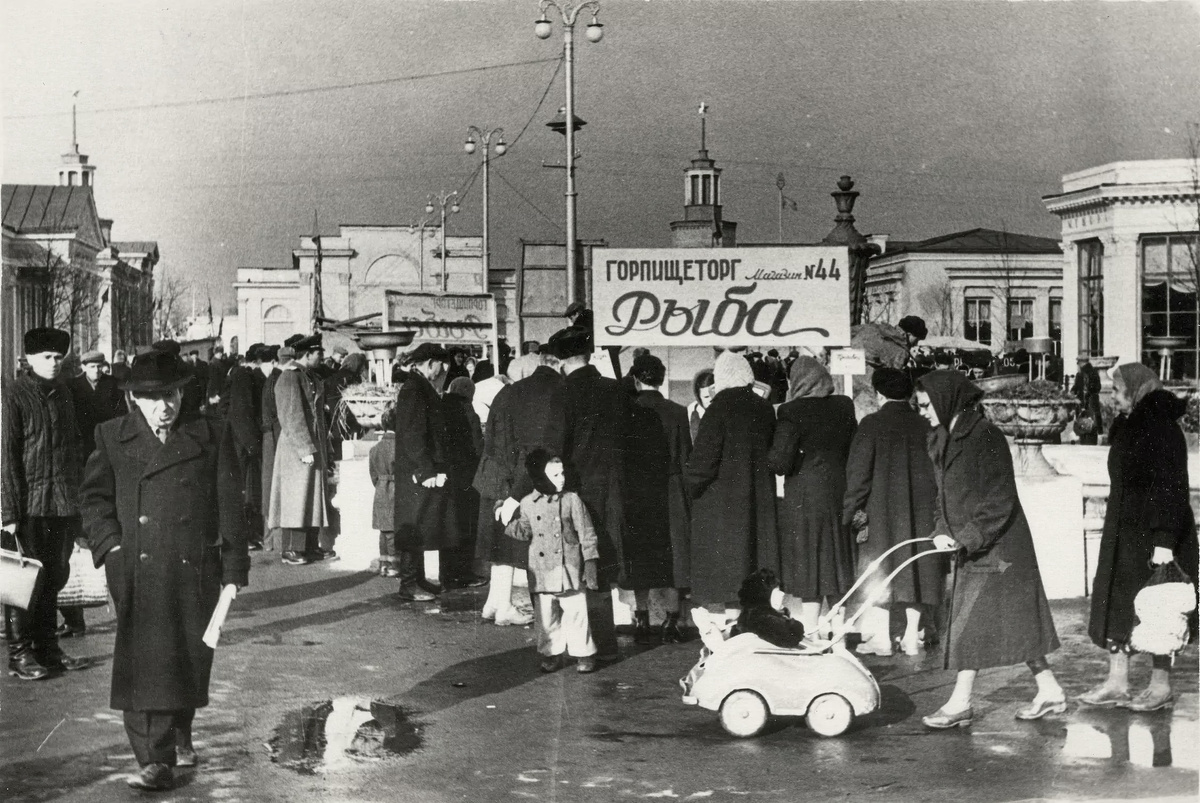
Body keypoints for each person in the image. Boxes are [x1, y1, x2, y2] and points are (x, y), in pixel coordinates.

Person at [79, 349, 247, 791]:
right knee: (146, 662)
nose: (164, 405)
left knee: (189, 657)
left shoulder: (210, 433)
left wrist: (233, 569)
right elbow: (94, 500)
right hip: (138, 567)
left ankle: (179, 730)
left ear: (181, 392)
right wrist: (111, 549)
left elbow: (230, 505)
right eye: (152, 398)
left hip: (195, 568)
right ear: (134, 398)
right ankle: (155, 759)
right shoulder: (112, 436)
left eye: (170, 394)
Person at [915, 370, 1064, 728]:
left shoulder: (986, 437)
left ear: (944, 400)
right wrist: (940, 530)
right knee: (1016, 623)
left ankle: (960, 702)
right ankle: (1050, 690)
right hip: (977, 546)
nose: (921, 412)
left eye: (924, 405)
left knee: (969, 622)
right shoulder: (940, 438)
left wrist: (966, 537)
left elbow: (1001, 499)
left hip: (1001, 548)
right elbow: (942, 498)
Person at [1080, 363, 1199, 712]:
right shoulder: (1130, 425)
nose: (1112, 398)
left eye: (1116, 391)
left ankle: (1160, 686)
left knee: (1158, 606)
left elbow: (1172, 488)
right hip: (1125, 530)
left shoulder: (1162, 428)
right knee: (1120, 605)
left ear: (1135, 390)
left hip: (1154, 535)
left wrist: (1164, 541)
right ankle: (1117, 683)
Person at [2, 327, 91, 681]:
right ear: (29, 360)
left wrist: (79, 504)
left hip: (61, 504)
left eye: (58, 357)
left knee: (54, 577)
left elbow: (74, 449)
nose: (54, 363)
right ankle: (20, 654)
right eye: (46, 358)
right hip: (28, 508)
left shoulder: (64, 393)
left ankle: (48, 649)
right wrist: (9, 513)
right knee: (23, 581)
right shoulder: (13, 396)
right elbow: (5, 456)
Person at [842, 366, 943, 656]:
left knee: (881, 570)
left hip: (882, 511)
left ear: (879, 394)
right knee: (918, 570)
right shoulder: (926, 425)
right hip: (922, 511)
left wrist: (850, 511)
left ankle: (883, 639)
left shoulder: (871, 425)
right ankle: (912, 635)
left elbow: (858, 475)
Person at [543, 325, 630, 660]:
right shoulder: (615, 390)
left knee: (578, 566)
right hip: (616, 489)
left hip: (579, 492)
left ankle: (584, 646)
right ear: (588, 354)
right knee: (604, 563)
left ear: (562, 359)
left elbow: (553, 447)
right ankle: (606, 644)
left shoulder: (562, 393)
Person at [767, 356, 858, 634]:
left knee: (811, 567)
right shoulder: (844, 406)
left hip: (805, 500)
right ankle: (839, 635)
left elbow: (780, 462)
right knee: (838, 566)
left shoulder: (791, 412)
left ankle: (811, 631)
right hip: (840, 496)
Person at [685, 351, 778, 620]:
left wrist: (689, 486)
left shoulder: (717, 408)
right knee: (752, 565)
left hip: (722, 505)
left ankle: (731, 631)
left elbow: (702, 462)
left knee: (727, 574)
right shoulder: (763, 408)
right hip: (757, 501)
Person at [510, 449, 600, 673]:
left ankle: (584, 654)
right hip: (541, 571)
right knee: (546, 617)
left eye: (562, 474)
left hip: (568, 568)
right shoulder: (528, 503)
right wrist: (506, 518)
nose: (562, 479)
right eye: (555, 475)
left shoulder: (571, 500)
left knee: (577, 613)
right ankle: (551, 653)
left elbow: (586, 532)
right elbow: (524, 531)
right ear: (540, 477)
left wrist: (590, 563)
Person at [623, 353, 691, 644]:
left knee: (639, 554)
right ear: (662, 380)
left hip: (637, 491)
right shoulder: (677, 411)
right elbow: (686, 455)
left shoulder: (627, 409)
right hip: (671, 490)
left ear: (636, 379)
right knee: (672, 555)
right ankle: (672, 621)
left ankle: (641, 618)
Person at [472, 354, 544, 626]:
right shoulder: (520, 398)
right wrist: (514, 490)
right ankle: (504, 608)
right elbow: (514, 446)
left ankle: (493, 603)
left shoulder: (503, 395)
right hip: (506, 479)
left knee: (497, 545)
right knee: (508, 545)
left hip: (490, 476)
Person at [60, 349, 127, 637]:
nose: (97, 371)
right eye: (91, 366)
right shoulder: (74, 387)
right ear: (83, 367)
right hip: (82, 449)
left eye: (100, 366)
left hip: (106, 448)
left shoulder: (113, 385)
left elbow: (122, 415)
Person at [393, 342, 457, 601]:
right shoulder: (415, 390)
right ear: (431, 364)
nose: (443, 373)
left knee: (421, 526)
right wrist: (425, 470)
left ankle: (417, 579)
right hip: (417, 472)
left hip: (420, 469)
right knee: (415, 526)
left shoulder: (419, 387)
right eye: (441, 367)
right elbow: (413, 435)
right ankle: (408, 584)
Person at [268, 334, 331, 566]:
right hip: (297, 447)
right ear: (307, 354)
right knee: (297, 497)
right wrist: (304, 448)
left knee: (311, 497)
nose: (322, 357)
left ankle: (310, 546)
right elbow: (291, 414)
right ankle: (292, 549)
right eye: (319, 353)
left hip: (310, 444)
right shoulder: (289, 377)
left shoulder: (308, 376)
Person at [441, 376, 486, 588]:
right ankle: (463, 573)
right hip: (465, 475)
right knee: (466, 525)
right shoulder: (468, 411)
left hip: (445, 474)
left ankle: (447, 575)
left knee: (448, 526)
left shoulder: (441, 406)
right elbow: (477, 445)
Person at [224, 344, 266, 552]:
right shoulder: (244, 376)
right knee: (244, 492)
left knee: (249, 491)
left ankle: (249, 534)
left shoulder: (243, 374)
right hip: (242, 444)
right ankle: (242, 537)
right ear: (258, 361)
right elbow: (241, 412)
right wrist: (252, 444)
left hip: (242, 442)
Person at [731, 569, 807, 649]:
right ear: (764, 596)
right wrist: (795, 625)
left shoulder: (749, 615)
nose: (783, 594)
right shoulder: (762, 619)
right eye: (777, 591)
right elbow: (789, 637)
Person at [369, 405, 399, 577]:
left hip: (380, 489)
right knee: (394, 530)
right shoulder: (399, 447)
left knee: (384, 530)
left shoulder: (375, 448)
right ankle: (394, 564)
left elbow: (373, 474)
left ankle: (384, 564)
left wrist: (380, 484)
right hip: (394, 489)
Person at [259, 344, 283, 550]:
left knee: (269, 489)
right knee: (271, 489)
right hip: (273, 439)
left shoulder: (272, 379)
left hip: (271, 438)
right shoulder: (276, 380)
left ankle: (270, 540)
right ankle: (271, 539)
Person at [1071, 355, 1104, 445]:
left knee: (1085, 424)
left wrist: (1081, 405)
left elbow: (1084, 390)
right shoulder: (1094, 372)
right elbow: (1098, 387)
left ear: (1081, 363)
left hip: (1086, 403)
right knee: (1093, 424)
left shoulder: (1082, 373)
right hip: (1094, 401)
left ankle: (1085, 441)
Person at [686, 369, 715, 444]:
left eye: (714, 395)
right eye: (706, 397)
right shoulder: (691, 411)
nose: (711, 400)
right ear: (699, 397)